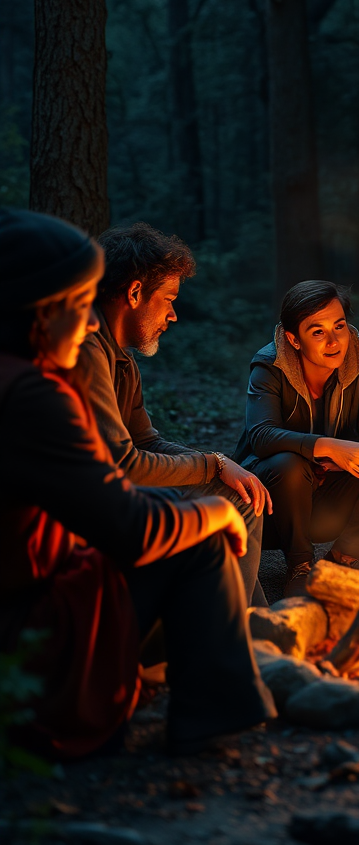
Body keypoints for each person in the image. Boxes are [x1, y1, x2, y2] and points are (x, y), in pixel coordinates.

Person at [0, 208, 273, 759]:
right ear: (40, 310)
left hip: (28, 591)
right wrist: (212, 504)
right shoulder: (33, 392)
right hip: (23, 634)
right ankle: (216, 711)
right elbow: (127, 519)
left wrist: (216, 464)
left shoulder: (55, 370)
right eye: (80, 305)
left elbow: (140, 447)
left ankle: (245, 650)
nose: (90, 322)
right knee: (204, 539)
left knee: (210, 517)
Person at [77, 223, 271, 606]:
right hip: (88, 505)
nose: (173, 315)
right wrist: (212, 466)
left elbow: (146, 439)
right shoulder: (86, 350)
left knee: (236, 494)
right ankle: (241, 636)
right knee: (231, 505)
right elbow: (123, 464)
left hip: (115, 490)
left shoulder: (122, 360)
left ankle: (258, 624)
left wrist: (220, 465)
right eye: (168, 299)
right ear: (134, 293)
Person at [235, 280, 359, 596]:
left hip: (328, 497)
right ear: (295, 339)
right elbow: (261, 436)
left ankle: (340, 561)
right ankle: (300, 565)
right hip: (271, 505)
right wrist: (327, 447)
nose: (334, 341)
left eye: (339, 326)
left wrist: (335, 462)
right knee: (289, 464)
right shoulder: (270, 364)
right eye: (318, 332)